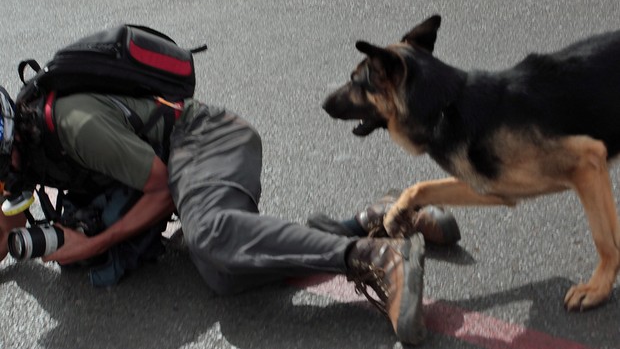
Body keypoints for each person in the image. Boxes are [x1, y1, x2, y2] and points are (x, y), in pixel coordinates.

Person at [0, 85, 447, 345]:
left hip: (206, 138)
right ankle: (372, 219)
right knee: (224, 275)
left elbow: (159, 190)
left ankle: (377, 256)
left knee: (210, 237)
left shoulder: (72, 122)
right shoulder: (19, 153)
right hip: (179, 165)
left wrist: (94, 243)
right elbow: (5, 230)